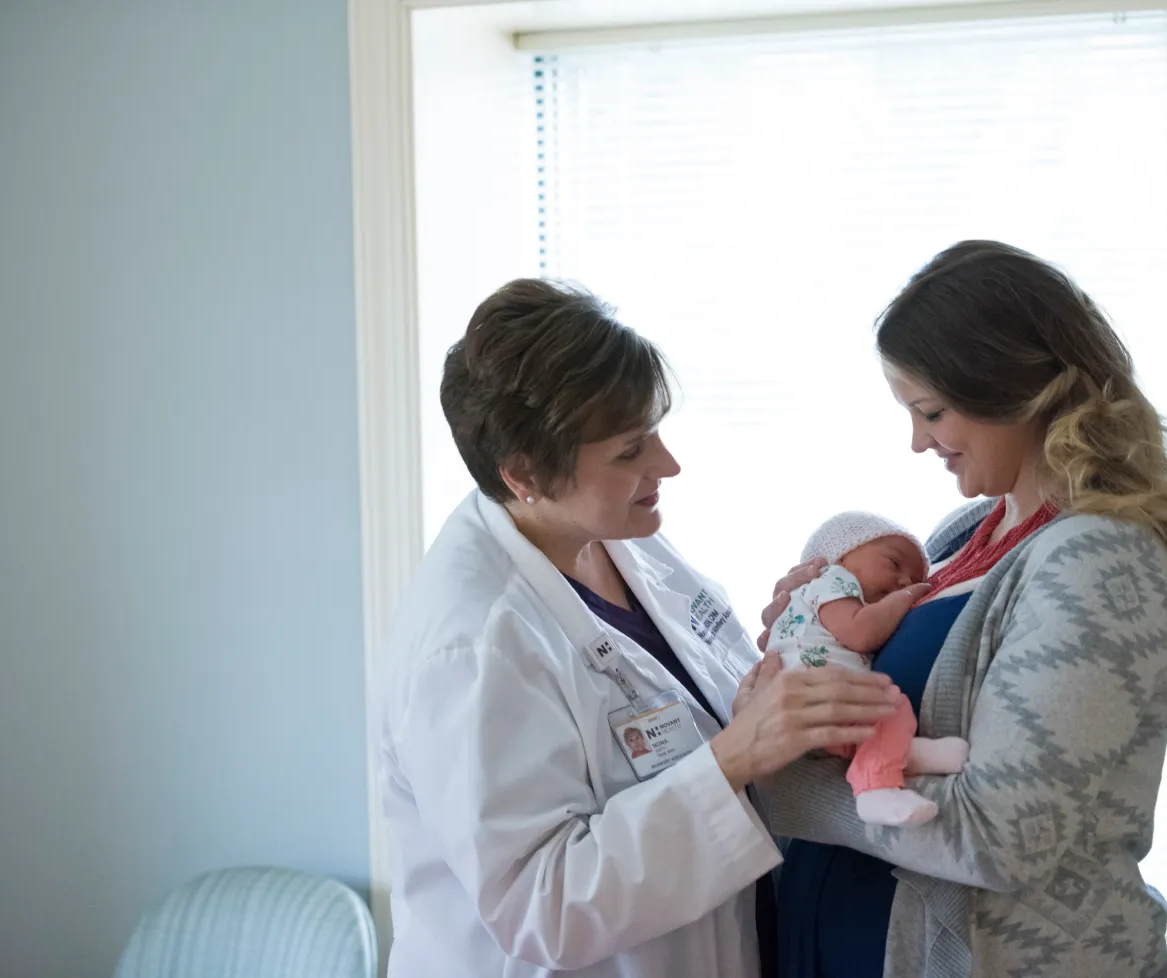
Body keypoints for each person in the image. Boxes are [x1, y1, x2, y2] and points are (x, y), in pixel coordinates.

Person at [375, 279, 902, 978]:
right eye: (630, 451)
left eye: (654, 432)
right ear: (524, 472)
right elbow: (543, 905)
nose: (668, 465)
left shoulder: (620, 538)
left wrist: (770, 680)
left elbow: (682, 713)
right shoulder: (472, 644)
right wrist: (734, 756)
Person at [742, 241, 1167, 978]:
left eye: (932, 411)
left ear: (1014, 388)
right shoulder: (965, 538)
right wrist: (811, 643)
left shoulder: (1099, 560)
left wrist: (775, 778)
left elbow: (1002, 836)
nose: (917, 442)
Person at [764, 512, 968, 827]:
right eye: (894, 563)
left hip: (812, 704)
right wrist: (907, 597)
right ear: (842, 556)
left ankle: (904, 754)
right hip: (817, 693)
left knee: (873, 722)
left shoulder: (830, 593)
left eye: (913, 579)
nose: (905, 581)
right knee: (889, 703)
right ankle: (876, 788)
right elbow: (861, 633)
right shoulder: (832, 578)